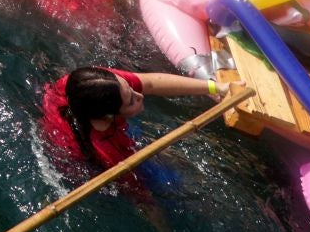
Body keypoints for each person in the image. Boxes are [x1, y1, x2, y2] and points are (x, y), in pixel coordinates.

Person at [43, 65, 232, 179]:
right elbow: (142, 199)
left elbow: (150, 83)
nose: (140, 95)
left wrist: (216, 87)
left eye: (131, 90)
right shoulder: (108, 153)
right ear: (110, 115)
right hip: (89, 157)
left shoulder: (90, 84)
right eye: (131, 101)